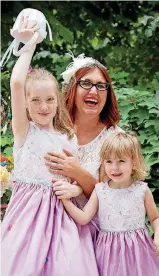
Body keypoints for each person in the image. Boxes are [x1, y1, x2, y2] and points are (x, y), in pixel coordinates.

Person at [1, 20, 99, 276]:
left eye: (49, 100)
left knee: (65, 266)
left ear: (58, 102)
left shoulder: (68, 137)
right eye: (35, 100)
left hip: (61, 215)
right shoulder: (24, 131)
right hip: (28, 218)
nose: (43, 107)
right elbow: (17, 83)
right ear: (25, 104)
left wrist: (75, 187)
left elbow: (76, 177)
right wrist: (30, 43)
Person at [44, 52, 122, 240]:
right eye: (86, 83)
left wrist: (78, 173)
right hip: (48, 227)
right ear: (72, 88)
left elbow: (116, 200)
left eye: (101, 86)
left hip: (95, 235)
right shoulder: (52, 128)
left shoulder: (116, 139)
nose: (94, 91)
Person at [59, 132, 159, 276]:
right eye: (109, 161)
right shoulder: (100, 190)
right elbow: (83, 218)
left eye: (121, 161)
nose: (114, 168)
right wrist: (65, 201)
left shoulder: (142, 190)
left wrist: (157, 235)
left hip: (138, 252)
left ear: (134, 162)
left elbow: (155, 218)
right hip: (108, 254)